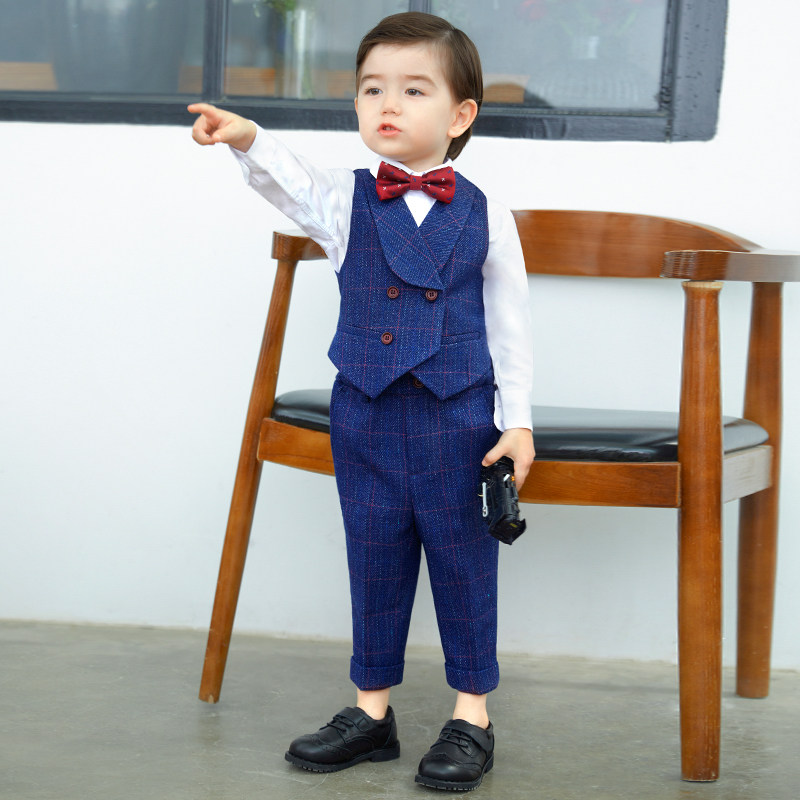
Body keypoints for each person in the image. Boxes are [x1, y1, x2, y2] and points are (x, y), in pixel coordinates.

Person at [189, 11, 534, 792]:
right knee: (373, 558)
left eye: (413, 90)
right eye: (372, 88)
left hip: (458, 419)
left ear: (460, 115)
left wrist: (517, 423)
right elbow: (288, 182)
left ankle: (472, 716)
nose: (388, 104)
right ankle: (370, 711)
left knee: (463, 563)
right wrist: (246, 138)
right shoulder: (344, 203)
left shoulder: (487, 214)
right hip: (367, 415)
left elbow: (510, 324)